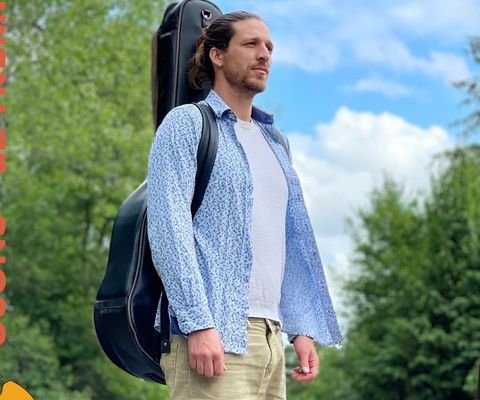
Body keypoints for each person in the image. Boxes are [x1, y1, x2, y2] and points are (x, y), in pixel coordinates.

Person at [147, 10, 342, 400]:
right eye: (251, 44)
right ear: (217, 56)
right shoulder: (188, 123)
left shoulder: (275, 142)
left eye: (269, 47)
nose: (264, 54)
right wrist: (198, 323)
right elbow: (169, 227)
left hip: (270, 337)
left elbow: (286, 239)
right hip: (214, 331)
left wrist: (300, 327)